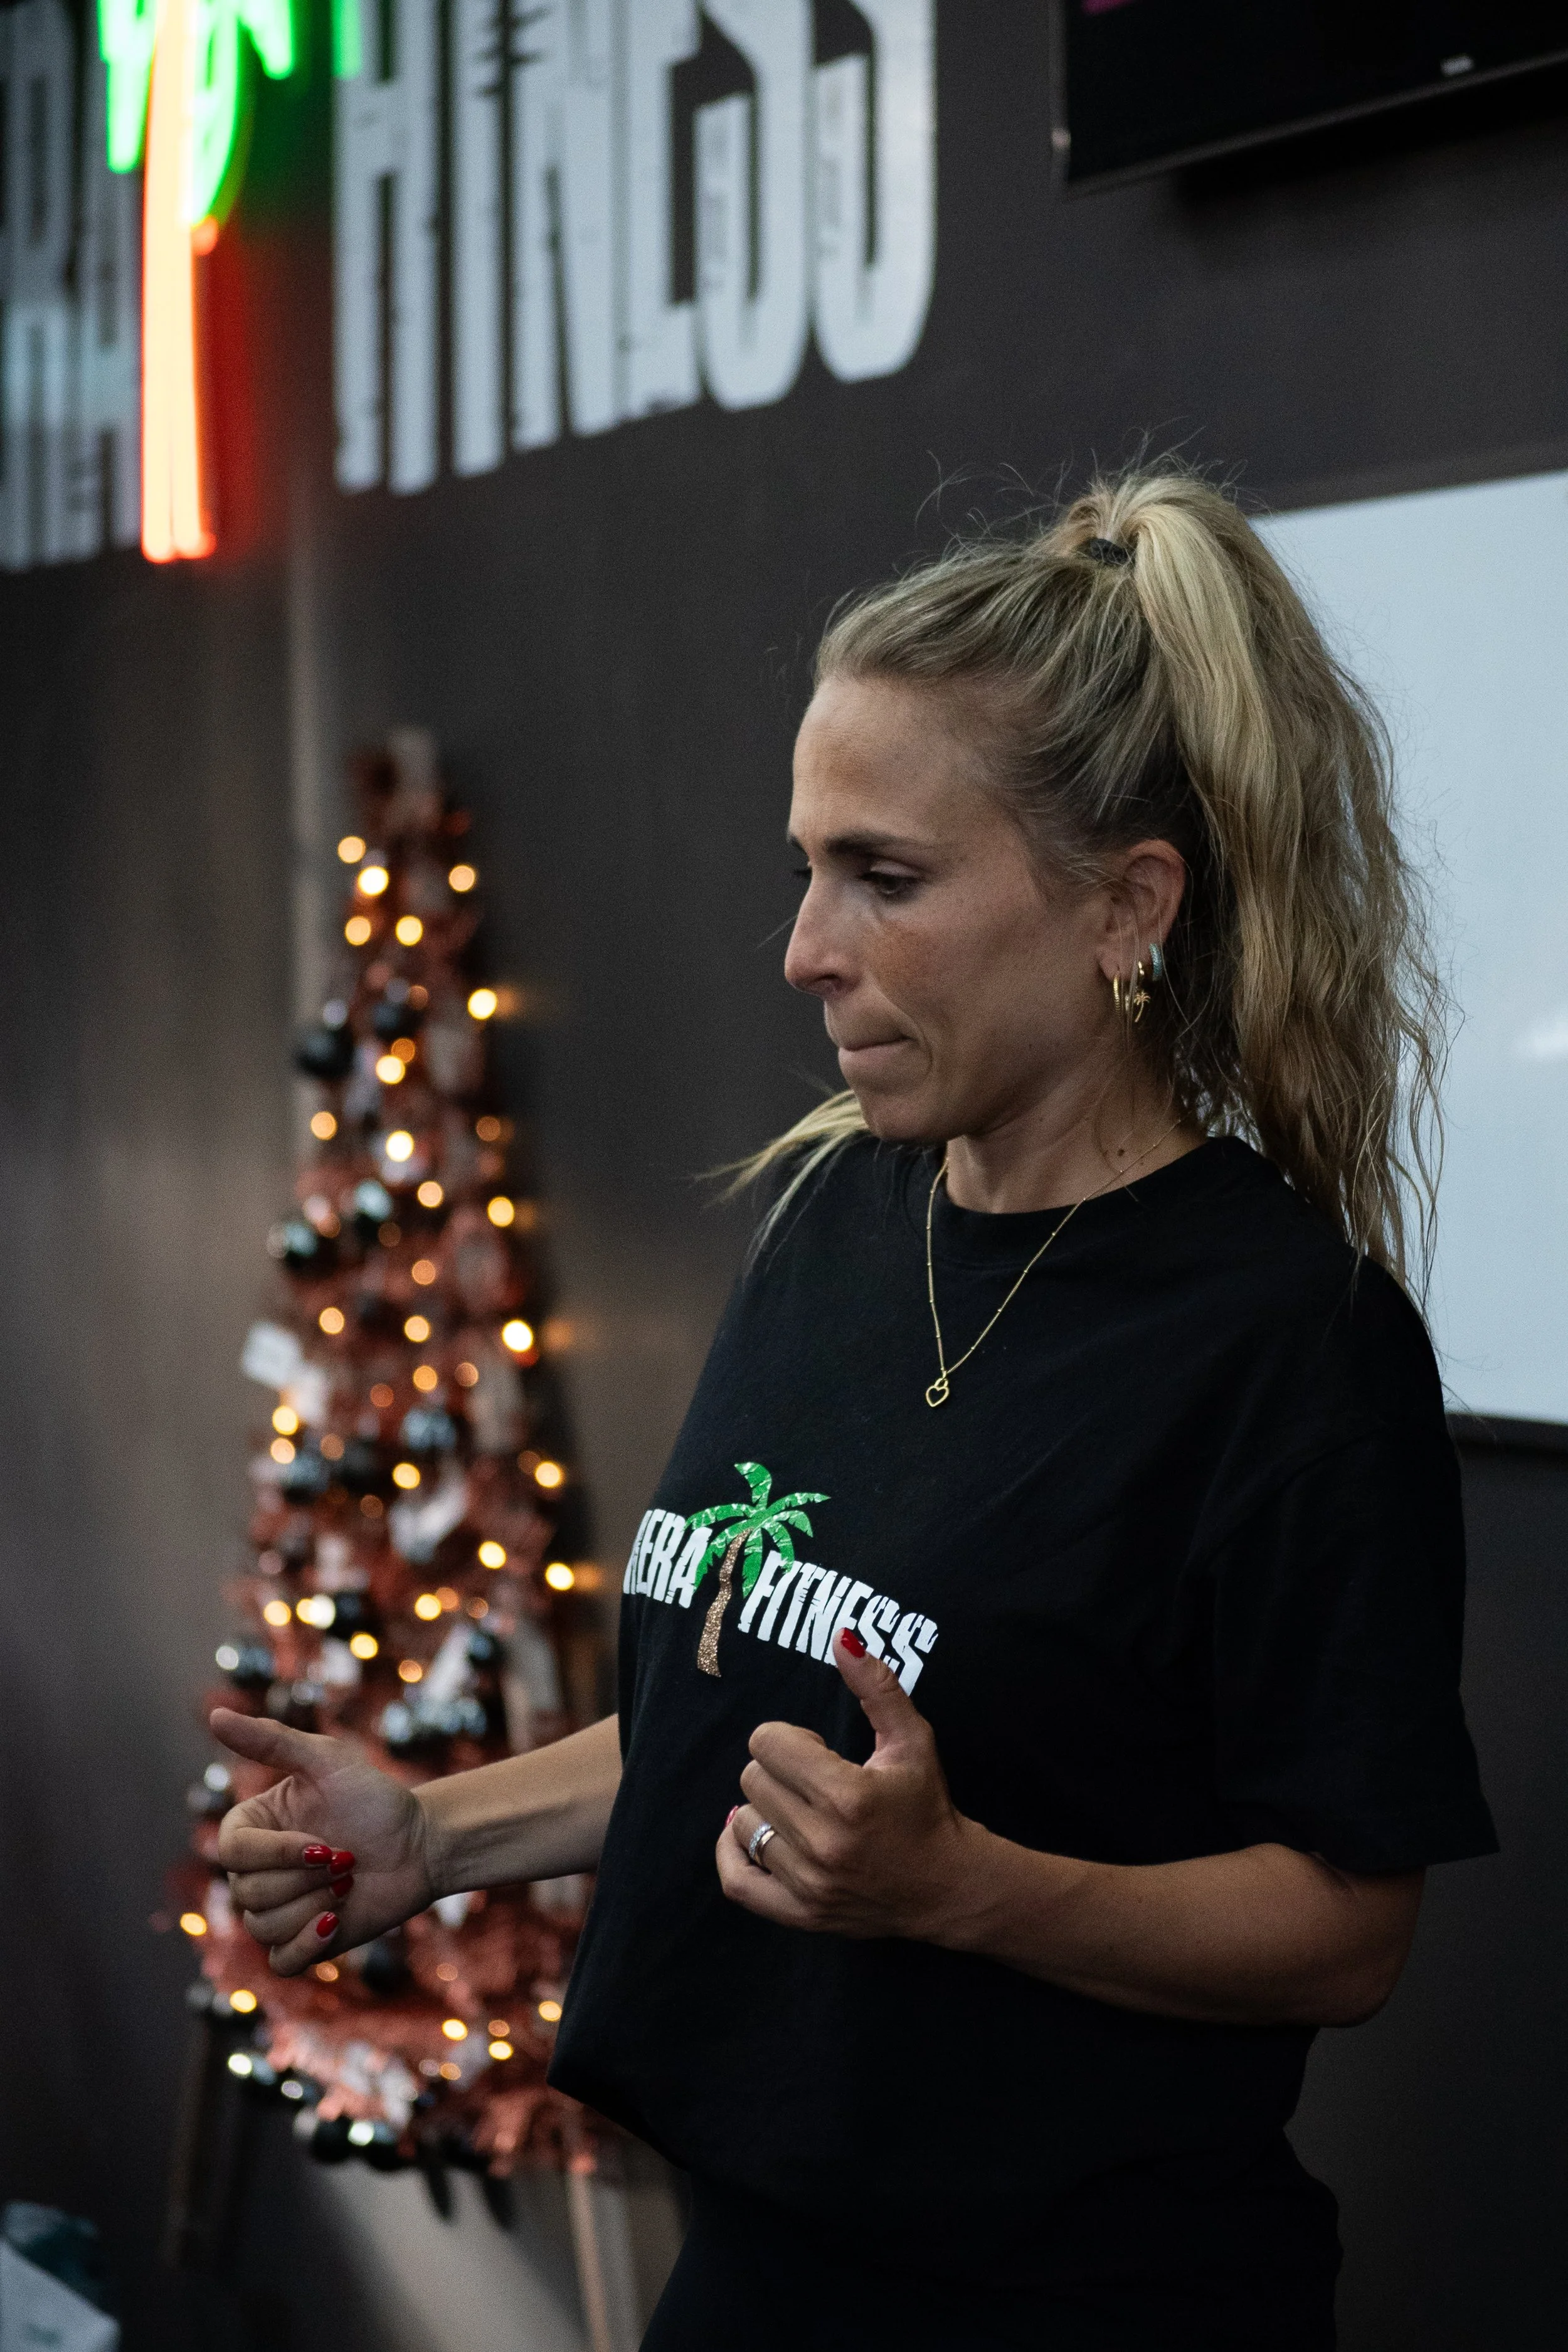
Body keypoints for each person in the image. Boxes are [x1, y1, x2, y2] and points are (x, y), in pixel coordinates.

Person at [213, 467, 1495, 2350]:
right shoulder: (838, 1213)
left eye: (883, 876)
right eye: (807, 866)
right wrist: (431, 1832)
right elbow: (730, 1708)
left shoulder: (1289, 1342)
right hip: (748, 2277)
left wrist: (976, 1890)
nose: (808, 946)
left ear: (1123, 909)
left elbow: (1345, 1920)